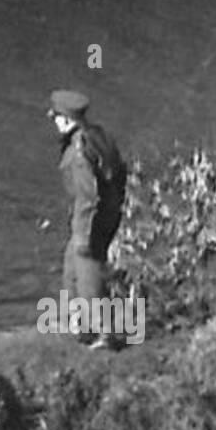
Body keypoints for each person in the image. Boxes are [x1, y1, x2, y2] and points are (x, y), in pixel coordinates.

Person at [48, 90, 128, 349]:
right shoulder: (98, 134)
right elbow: (120, 172)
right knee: (71, 267)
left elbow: (88, 197)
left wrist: (84, 235)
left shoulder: (79, 152)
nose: (54, 121)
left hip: (91, 220)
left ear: (67, 120)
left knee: (87, 273)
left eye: (57, 117)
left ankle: (104, 334)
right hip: (109, 212)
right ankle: (75, 324)